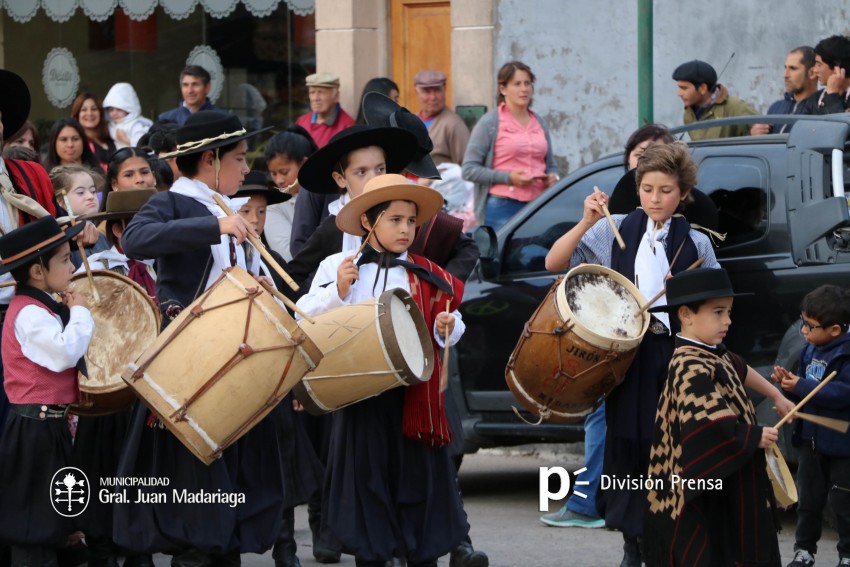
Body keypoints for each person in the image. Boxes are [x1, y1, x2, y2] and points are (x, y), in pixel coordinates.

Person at [114, 111, 284, 566]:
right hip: (189, 358)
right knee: (193, 476)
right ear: (209, 160)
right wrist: (213, 227)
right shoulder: (175, 202)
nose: (246, 169)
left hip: (231, 354)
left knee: (229, 468)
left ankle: (221, 546)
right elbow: (136, 240)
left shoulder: (225, 206)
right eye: (239, 158)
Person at [544, 141, 720, 566]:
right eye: (647, 189)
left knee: (674, 448)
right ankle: (632, 544)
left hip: (677, 357)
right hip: (627, 358)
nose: (655, 199)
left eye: (665, 190)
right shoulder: (614, 228)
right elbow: (554, 262)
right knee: (628, 444)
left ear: (683, 193)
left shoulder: (697, 243)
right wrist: (586, 220)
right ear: (636, 188)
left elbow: (717, 309)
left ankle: (670, 542)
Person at [295, 174, 468, 567]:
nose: (406, 229)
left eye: (411, 221)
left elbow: (453, 322)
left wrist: (447, 327)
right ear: (368, 223)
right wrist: (336, 291)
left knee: (417, 487)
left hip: (413, 400)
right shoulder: (338, 266)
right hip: (362, 400)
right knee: (366, 488)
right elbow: (303, 317)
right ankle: (371, 556)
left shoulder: (425, 271)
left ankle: (419, 554)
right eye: (395, 220)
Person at [643, 268, 782, 567]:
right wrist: (753, 436)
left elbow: (740, 368)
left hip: (727, 470)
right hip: (709, 480)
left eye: (729, 312)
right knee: (719, 545)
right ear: (686, 314)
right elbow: (705, 426)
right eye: (718, 312)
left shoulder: (713, 353)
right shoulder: (687, 364)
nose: (728, 321)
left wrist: (777, 395)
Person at [0, 216, 93, 567]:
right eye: (65, 260)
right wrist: (81, 312)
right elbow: (64, 353)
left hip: (49, 428)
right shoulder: (29, 314)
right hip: (32, 433)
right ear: (38, 271)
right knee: (33, 528)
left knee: (56, 522)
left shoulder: (41, 306)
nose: (72, 266)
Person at [772, 284, 850, 567]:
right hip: (810, 442)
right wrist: (788, 387)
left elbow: (842, 393)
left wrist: (802, 386)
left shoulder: (845, 355)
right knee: (808, 500)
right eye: (803, 322)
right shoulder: (810, 350)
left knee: (843, 503)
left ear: (835, 331)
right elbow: (804, 389)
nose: (804, 330)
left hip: (841, 447)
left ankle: (847, 554)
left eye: (811, 325)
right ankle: (804, 551)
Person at [462, 60, 559, 230]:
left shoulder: (539, 122)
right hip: (502, 206)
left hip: (538, 205)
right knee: (501, 256)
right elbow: (469, 170)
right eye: (517, 84)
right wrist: (508, 178)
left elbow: (551, 164)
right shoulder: (489, 123)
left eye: (527, 83)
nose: (524, 89)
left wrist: (552, 176)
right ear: (503, 89)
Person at [263, 125, 317, 261]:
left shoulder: (327, 195)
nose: (279, 180)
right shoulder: (274, 207)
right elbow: (289, 256)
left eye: (284, 172)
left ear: (304, 164)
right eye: (273, 174)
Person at [672, 59, 758, 140]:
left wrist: (750, 135)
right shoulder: (688, 115)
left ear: (702, 88)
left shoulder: (736, 107)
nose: (679, 93)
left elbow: (765, 134)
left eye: (684, 88)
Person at [49, 165, 111, 269]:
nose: (90, 197)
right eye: (80, 192)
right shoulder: (62, 241)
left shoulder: (101, 236)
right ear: (60, 201)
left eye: (93, 191)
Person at [751, 47, 819, 135]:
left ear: (812, 73)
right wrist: (753, 134)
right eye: (785, 68)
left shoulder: (820, 110)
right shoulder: (775, 108)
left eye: (793, 68)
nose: (785, 75)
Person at [413, 69, 470, 167]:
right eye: (427, 92)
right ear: (417, 93)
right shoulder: (411, 121)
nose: (433, 97)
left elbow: (466, 167)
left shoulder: (453, 124)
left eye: (437, 90)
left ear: (444, 90)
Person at [295, 73, 356, 149]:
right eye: (312, 92)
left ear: (336, 96)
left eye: (321, 92)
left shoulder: (347, 127)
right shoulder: (301, 121)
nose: (316, 98)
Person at [158, 65, 225, 126]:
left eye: (195, 84)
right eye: (185, 85)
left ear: (207, 88)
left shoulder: (223, 119)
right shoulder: (165, 120)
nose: (190, 91)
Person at [803, 35, 850, 115]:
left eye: (819, 64)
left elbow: (837, 126)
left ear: (837, 68)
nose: (815, 70)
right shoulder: (815, 99)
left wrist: (832, 95)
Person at [102, 83, 153, 149]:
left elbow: (142, 145)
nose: (115, 113)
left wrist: (124, 139)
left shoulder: (135, 125)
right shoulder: (111, 125)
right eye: (111, 110)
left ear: (128, 109)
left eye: (119, 109)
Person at [71, 92, 115, 167]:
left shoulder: (112, 138)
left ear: (101, 113)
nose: (89, 113)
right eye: (84, 110)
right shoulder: (76, 144)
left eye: (94, 109)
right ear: (77, 115)